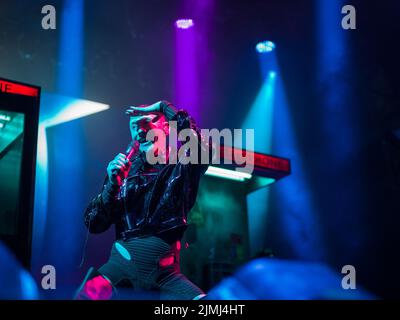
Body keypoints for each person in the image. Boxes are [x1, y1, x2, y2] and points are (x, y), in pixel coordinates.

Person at [75, 100, 209, 300]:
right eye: (134, 127)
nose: (140, 131)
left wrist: (164, 107)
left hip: (166, 275)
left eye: (145, 124)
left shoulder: (182, 165)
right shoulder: (123, 172)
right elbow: (94, 224)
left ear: (165, 127)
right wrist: (111, 186)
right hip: (119, 269)